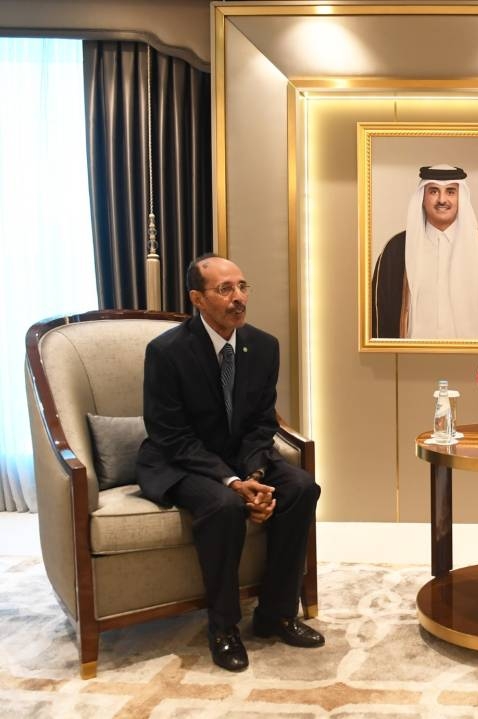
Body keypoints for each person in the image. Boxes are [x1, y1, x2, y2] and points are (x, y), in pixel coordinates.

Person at [137, 253, 323, 673]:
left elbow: (262, 423)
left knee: (301, 487)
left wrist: (254, 475)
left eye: (242, 287)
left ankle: (276, 614)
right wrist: (233, 483)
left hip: (241, 457)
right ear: (197, 299)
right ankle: (223, 628)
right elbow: (171, 434)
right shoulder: (166, 352)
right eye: (225, 289)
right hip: (181, 461)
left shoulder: (264, 346)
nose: (238, 297)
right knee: (224, 506)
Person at [371, 164, 478, 339]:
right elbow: (379, 317)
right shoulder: (397, 249)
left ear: (461, 198)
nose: (442, 200)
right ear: (422, 197)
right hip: (414, 355)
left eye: (450, 192)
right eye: (434, 191)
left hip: (477, 355)